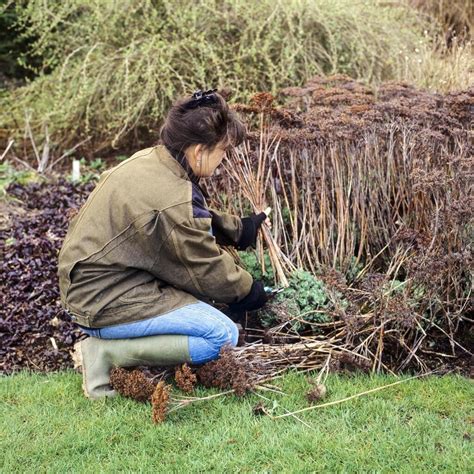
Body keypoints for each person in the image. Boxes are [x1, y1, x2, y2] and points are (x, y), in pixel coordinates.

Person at [58, 89, 270, 400]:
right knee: (222, 335)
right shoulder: (171, 196)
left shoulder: (153, 161)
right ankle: (103, 354)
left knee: (207, 314)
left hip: (99, 284)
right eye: (222, 151)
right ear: (198, 151)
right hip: (102, 301)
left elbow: (187, 218)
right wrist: (248, 291)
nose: (223, 160)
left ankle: (110, 347)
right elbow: (204, 263)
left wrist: (238, 230)